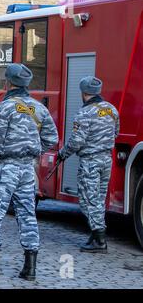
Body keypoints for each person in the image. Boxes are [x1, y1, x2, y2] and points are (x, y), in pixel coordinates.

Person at [0, 63, 58, 281]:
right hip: (27, 170)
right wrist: (33, 151)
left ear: (8, 82)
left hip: (5, 169)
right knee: (27, 215)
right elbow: (52, 138)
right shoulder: (39, 109)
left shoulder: (3, 108)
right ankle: (30, 268)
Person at [58, 76, 119, 253]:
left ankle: (99, 240)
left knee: (87, 201)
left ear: (84, 93)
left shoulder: (84, 113)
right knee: (98, 199)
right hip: (106, 160)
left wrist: (63, 154)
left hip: (90, 161)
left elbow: (77, 140)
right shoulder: (111, 110)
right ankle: (95, 234)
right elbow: (116, 132)